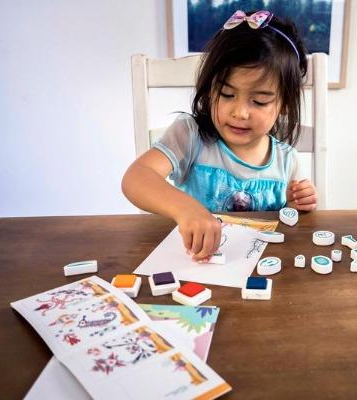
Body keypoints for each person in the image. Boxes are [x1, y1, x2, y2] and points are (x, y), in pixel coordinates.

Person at [122, 10, 318, 261]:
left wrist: (297, 204)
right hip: (193, 263)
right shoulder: (190, 135)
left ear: (285, 105)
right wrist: (186, 209)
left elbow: (292, 230)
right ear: (209, 90)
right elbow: (135, 178)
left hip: (260, 270)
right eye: (226, 94)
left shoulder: (287, 160)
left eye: (259, 101)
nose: (240, 112)